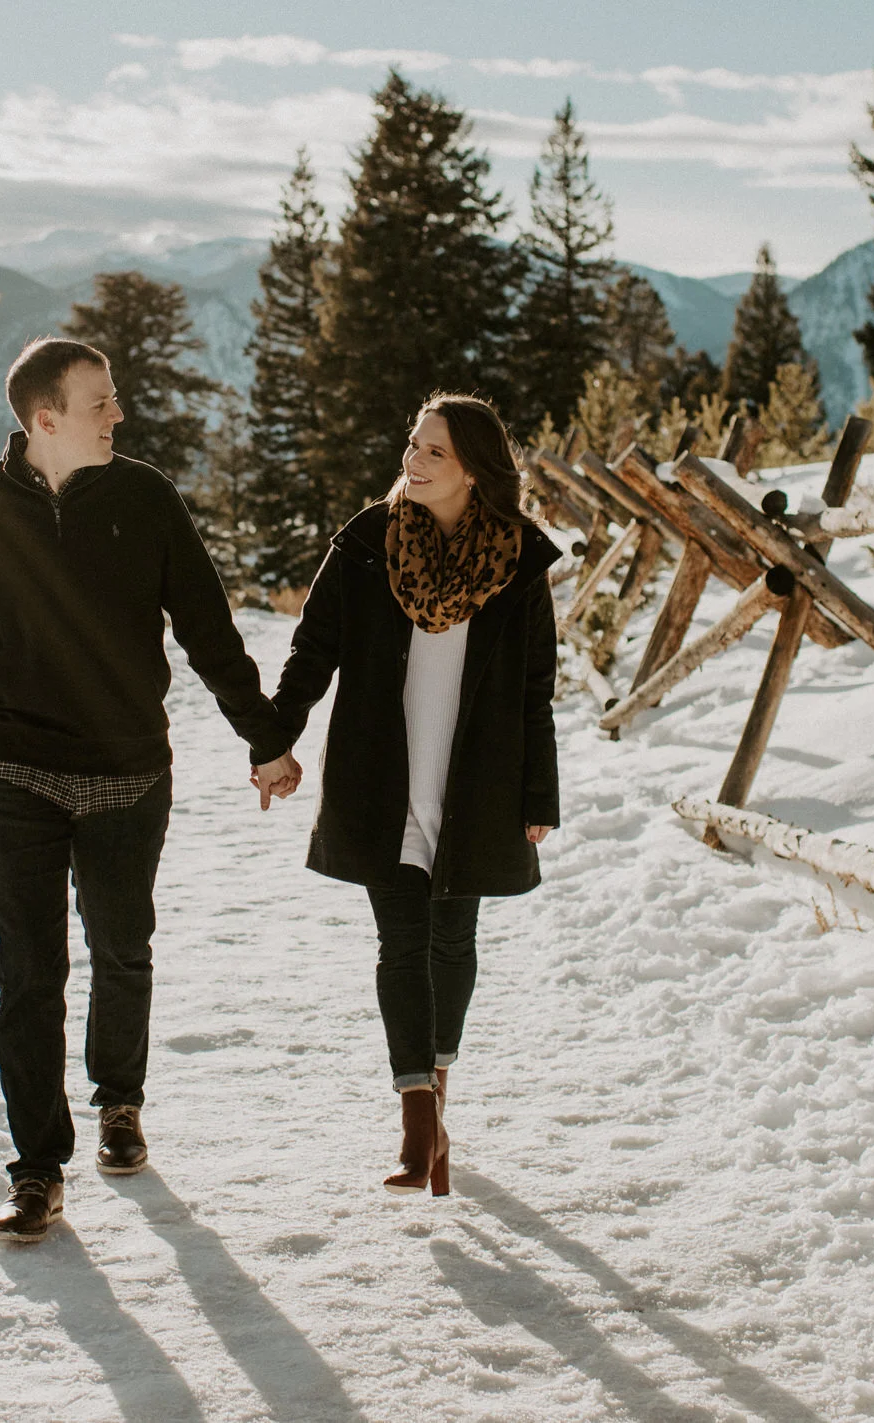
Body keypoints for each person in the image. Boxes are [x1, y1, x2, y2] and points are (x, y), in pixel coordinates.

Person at [0, 336, 303, 1243]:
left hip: (128, 773)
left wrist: (267, 739)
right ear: (46, 420)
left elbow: (207, 629)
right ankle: (38, 1166)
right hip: (13, 772)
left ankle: (119, 1101)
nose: (118, 414)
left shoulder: (146, 498)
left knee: (123, 947)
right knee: (29, 972)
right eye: (100, 402)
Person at [270, 394, 560, 1196]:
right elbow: (312, 649)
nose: (414, 461)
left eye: (434, 451)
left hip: (476, 781)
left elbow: (537, 687)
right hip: (380, 776)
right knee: (402, 943)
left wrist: (541, 791)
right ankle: (417, 1125)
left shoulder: (520, 560)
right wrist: (275, 738)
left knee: (452, 943)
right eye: (412, 444)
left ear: (473, 468)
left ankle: (438, 1083)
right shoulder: (367, 542)